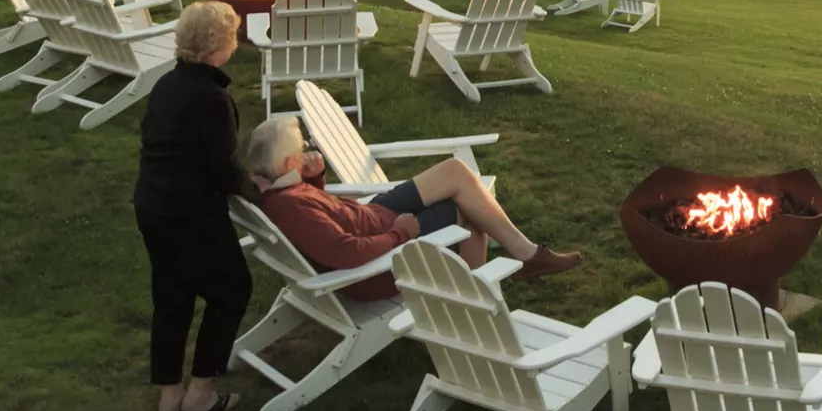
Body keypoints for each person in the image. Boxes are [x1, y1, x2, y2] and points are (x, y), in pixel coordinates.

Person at [247, 116, 582, 298]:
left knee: (455, 172)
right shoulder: (289, 206)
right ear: (289, 160)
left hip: (373, 216)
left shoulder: (282, 186)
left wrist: (315, 176)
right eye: (302, 148)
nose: (307, 148)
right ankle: (474, 302)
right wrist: (400, 234)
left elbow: (323, 212)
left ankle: (526, 256)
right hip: (377, 261)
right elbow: (345, 252)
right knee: (469, 215)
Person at [131, 0, 251, 411]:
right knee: (232, 290)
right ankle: (200, 392)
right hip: (189, 211)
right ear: (220, 45)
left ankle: (169, 398)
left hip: (151, 204)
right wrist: (263, 189)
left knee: (172, 297)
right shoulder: (212, 98)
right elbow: (225, 171)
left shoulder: (166, 84)